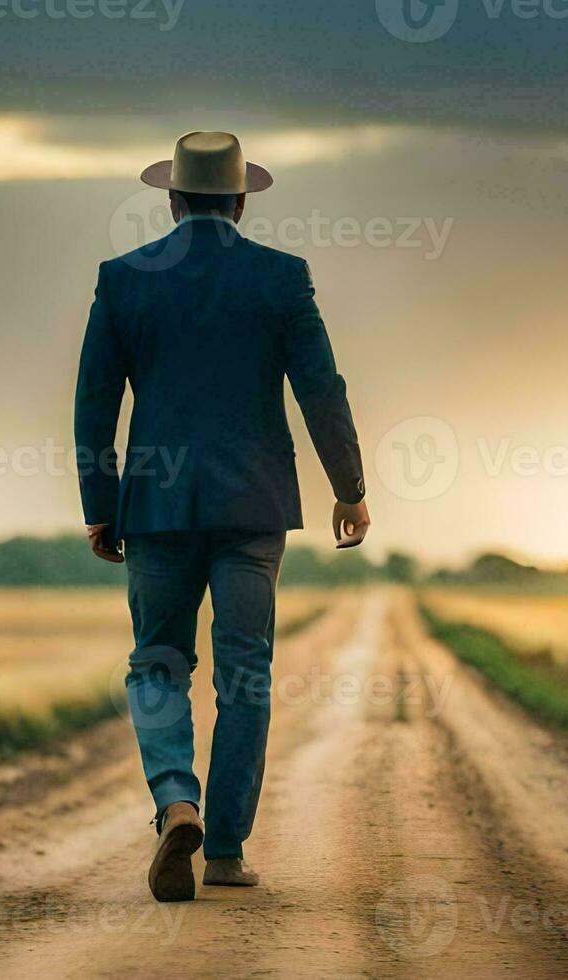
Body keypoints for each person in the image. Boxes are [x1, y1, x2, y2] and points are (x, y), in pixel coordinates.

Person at [74, 131, 369, 902]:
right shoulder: (282, 278)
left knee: (157, 663)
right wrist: (350, 485)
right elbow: (321, 389)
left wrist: (101, 507)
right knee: (246, 675)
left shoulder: (122, 279)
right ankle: (228, 851)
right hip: (253, 508)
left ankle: (177, 799)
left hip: (157, 507)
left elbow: (94, 407)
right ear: (241, 201)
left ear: (171, 199)